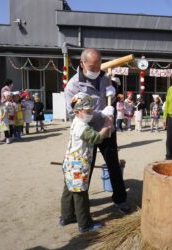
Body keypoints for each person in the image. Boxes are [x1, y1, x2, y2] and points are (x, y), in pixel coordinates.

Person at [64, 48, 130, 213]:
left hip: (107, 130)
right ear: (82, 63)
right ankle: (76, 206)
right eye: (92, 67)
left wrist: (113, 96)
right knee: (85, 167)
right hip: (89, 133)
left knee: (113, 164)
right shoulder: (73, 86)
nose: (96, 70)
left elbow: (109, 101)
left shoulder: (105, 78)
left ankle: (120, 199)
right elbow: (73, 113)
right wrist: (100, 113)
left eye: (98, 66)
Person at [60, 92, 111, 233]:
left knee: (69, 190)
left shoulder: (78, 121)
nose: (91, 113)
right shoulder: (81, 126)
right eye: (88, 111)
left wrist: (101, 114)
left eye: (92, 110)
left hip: (70, 163)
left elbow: (91, 118)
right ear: (77, 111)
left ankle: (66, 216)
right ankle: (85, 224)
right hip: (78, 166)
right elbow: (97, 138)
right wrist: (107, 125)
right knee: (80, 193)